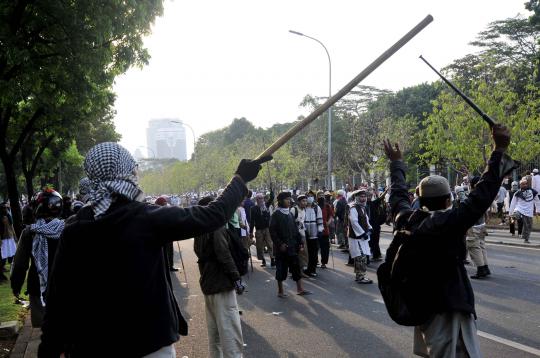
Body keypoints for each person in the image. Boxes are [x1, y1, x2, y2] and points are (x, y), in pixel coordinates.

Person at [38, 142, 269, 357]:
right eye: (134, 169)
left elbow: (58, 298)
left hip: (91, 345)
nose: (137, 173)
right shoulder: (146, 219)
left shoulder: (75, 229)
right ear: (125, 173)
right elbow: (213, 215)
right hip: (149, 343)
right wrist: (239, 179)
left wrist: (48, 349)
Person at [383, 124, 514, 358]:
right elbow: (481, 195)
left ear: (419, 199)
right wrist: (498, 149)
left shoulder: (406, 219)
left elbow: (397, 194)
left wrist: (396, 164)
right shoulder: (448, 223)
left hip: (423, 305)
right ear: (447, 201)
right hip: (448, 306)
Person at [194, 196, 245, 358]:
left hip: (208, 283)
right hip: (221, 283)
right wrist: (236, 278)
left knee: (214, 334)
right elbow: (224, 254)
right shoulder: (216, 227)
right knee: (230, 332)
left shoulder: (199, 229)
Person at [11, 189, 65, 327]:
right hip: (65, 285)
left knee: (45, 329)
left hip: (38, 287)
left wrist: (16, 286)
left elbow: (19, 264)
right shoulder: (68, 228)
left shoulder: (30, 232)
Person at [269, 192, 311, 298]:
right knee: (281, 270)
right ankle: (280, 291)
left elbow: (295, 230)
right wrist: (280, 244)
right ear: (280, 201)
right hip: (281, 249)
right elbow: (273, 232)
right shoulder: (276, 214)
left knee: (296, 268)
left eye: (289, 199)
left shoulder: (290, 214)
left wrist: (300, 242)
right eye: (286, 199)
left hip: (292, 247)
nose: (289, 201)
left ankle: (300, 289)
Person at [466, 177, 491, 279]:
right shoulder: (484, 193)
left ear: (471, 185)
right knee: (481, 246)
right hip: (481, 224)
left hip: (473, 225)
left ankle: (481, 269)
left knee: (474, 247)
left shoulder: (473, 195)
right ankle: (485, 267)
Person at [348, 188, 373, 284]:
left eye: (364, 196)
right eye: (361, 196)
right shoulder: (353, 208)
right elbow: (354, 222)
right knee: (360, 257)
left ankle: (360, 275)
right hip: (356, 237)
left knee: (362, 256)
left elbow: (366, 220)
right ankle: (360, 277)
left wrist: (370, 228)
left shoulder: (362, 207)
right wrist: (362, 233)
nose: (363, 198)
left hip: (363, 236)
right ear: (357, 197)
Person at [249, 193, 275, 267]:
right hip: (259, 230)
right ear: (256, 200)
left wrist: (271, 190)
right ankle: (263, 260)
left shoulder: (266, 206)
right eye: (259, 198)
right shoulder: (253, 208)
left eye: (262, 198)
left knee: (270, 244)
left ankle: (272, 259)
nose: (261, 200)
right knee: (259, 246)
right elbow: (252, 221)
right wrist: (251, 232)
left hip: (267, 229)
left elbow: (271, 198)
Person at [509, 178, 538, 243]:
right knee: (515, 216)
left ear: (527, 184)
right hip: (519, 209)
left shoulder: (533, 192)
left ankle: (526, 239)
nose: (524, 185)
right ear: (520, 185)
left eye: (525, 184)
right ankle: (512, 230)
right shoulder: (517, 193)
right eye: (523, 184)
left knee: (528, 226)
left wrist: (538, 210)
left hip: (529, 211)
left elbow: (537, 201)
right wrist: (510, 212)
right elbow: (513, 203)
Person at [155, 196, 179, 272]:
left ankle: (170, 266)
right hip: (161, 237)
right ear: (160, 204)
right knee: (163, 254)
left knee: (170, 252)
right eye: (164, 203)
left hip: (169, 236)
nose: (165, 205)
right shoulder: (155, 212)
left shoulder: (166, 211)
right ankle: (164, 268)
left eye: (165, 203)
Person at [303, 192, 323, 277]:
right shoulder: (302, 208)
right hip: (304, 234)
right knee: (304, 252)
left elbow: (320, 220)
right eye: (308, 196)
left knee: (314, 253)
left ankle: (312, 269)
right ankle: (304, 268)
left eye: (311, 196)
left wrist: (320, 231)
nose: (310, 198)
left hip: (315, 234)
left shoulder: (317, 208)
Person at [290, 195, 308, 272]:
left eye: (305, 201)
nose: (305, 203)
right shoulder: (293, 210)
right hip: (294, 236)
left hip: (302, 235)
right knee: (295, 253)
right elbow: (290, 223)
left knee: (303, 253)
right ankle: (295, 271)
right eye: (303, 201)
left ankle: (300, 271)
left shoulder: (304, 210)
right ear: (298, 202)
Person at [0, 203, 17, 280]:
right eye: (4, 208)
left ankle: (12, 268)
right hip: (3, 238)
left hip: (10, 238)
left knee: (12, 254)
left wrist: (15, 236)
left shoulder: (9, 216)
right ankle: (2, 268)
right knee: (3, 255)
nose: (6, 209)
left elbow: (11, 226)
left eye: (6, 208)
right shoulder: (0, 217)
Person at [318, 194, 334, 269]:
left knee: (325, 248)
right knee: (316, 247)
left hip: (325, 230)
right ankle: (315, 261)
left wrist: (328, 222)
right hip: (316, 231)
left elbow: (331, 215)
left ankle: (323, 262)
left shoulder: (327, 206)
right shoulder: (314, 206)